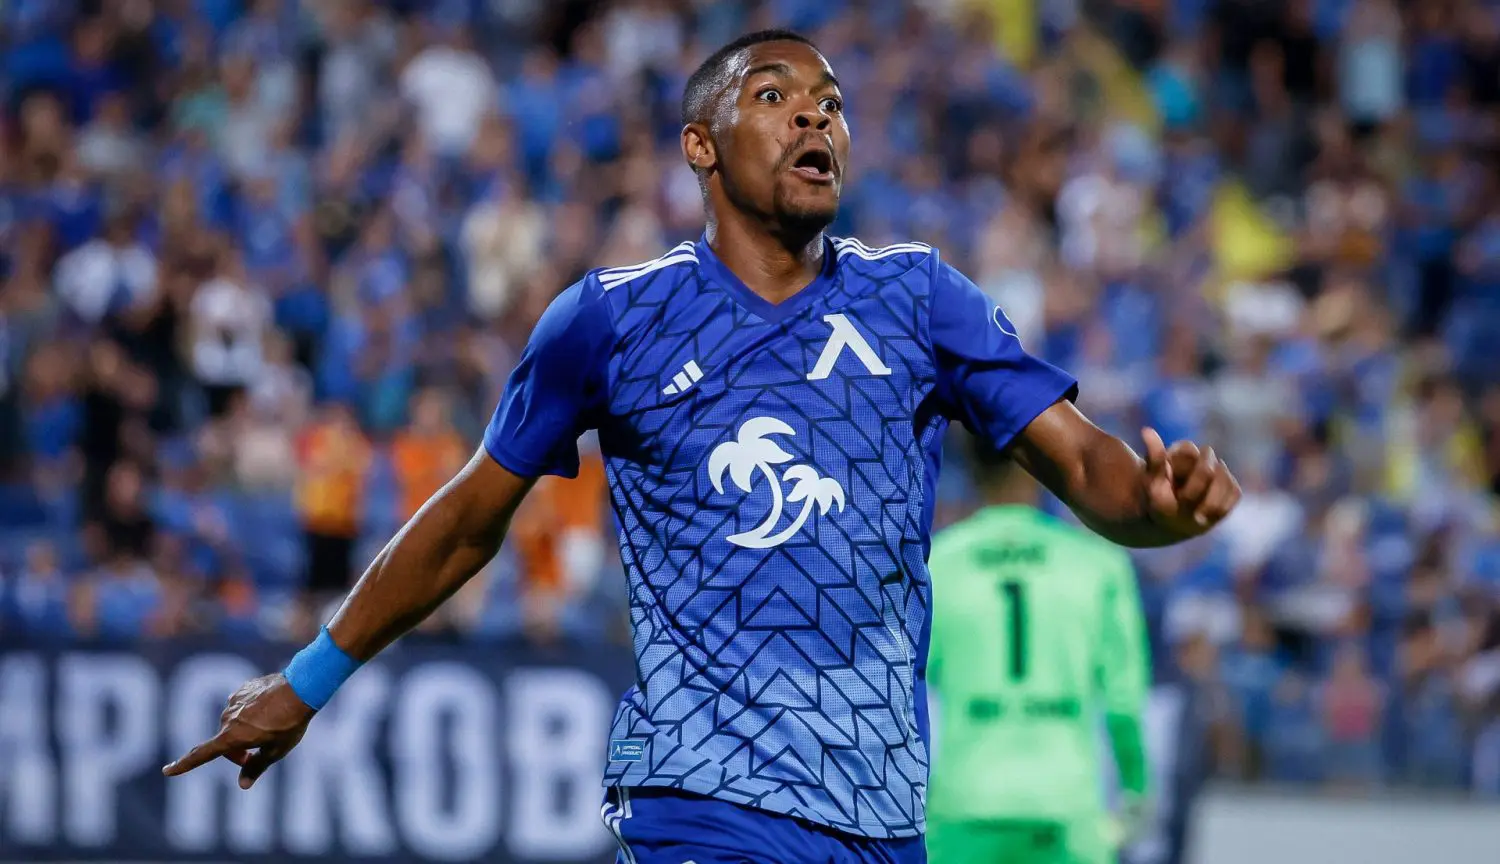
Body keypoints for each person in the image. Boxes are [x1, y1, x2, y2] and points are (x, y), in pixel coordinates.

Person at [163, 30, 1241, 864]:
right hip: (698, 803)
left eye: (832, 104)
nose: (815, 116)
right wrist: (309, 677)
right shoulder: (610, 320)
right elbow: (467, 521)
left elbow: (1085, 465)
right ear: (701, 147)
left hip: (879, 821)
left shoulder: (920, 299)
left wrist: (1159, 508)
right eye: (774, 97)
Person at [925, 440, 1151, 864]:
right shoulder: (1097, 564)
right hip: (1067, 806)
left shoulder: (938, 562)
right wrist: (1136, 792)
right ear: (1042, 470)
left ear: (971, 469)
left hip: (965, 802)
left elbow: (904, 690)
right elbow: (1124, 702)